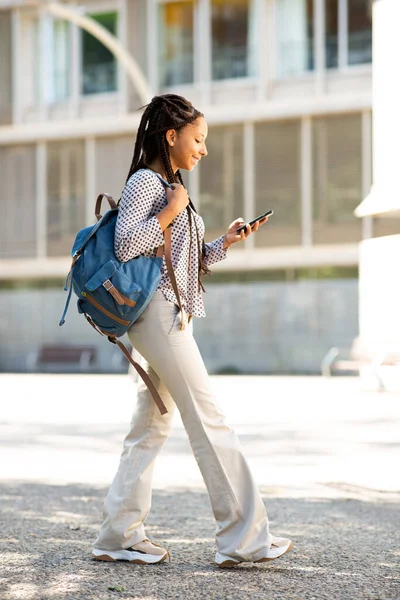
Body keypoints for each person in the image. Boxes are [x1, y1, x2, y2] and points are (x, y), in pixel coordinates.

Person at [91, 94, 293, 568]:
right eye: (198, 139)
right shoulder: (148, 182)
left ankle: (118, 534)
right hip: (159, 317)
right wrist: (171, 208)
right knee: (209, 420)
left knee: (149, 427)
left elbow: (184, 261)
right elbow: (125, 245)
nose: (203, 149)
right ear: (171, 135)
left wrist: (223, 241)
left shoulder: (170, 185)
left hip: (166, 315)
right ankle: (244, 538)